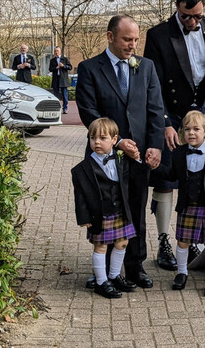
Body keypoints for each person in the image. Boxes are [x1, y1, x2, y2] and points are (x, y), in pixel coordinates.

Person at [144, 0, 205, 271]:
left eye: (198, 16)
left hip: (198, 117)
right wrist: (166, 124)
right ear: (177, 7)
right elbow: (153, 83)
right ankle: (164, 241)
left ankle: (192, 238)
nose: (194, 22)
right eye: (187, 17)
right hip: (169, 115)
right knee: (167, 181)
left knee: (196, 178)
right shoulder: (158, 35)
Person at [76, 14, 164, 288]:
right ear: (110, 36)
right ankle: (104, 272)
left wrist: (155, 146)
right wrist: (117, 142)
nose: (132, 45)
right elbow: (88, 112)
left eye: (136, 39)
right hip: (104, 156)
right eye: (127, 39)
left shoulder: (146, 67)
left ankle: (135, 267)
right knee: (106, 211)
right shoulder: (90, 68)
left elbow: (155, 110)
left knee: (135, 209)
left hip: (137, 155)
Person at [157, 111, 205, 296]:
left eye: (196, 129)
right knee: (182, 242)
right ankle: (182, 273)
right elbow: (172, 175)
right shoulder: (179, 153)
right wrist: (155, 166)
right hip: (187, 206)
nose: (191, 133)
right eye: (187, 129)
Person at [72, 118, 138, 299]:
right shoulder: (82, 169)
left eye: (102, 138)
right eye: (93, 138)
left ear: (114, 139)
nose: (97, 142)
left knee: (122, 243)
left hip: (120, 211)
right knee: (100, 246)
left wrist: (138, 157)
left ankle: (114, 275)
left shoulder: (121, 159)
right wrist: (84, 217)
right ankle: (101, 282)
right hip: (100, 214)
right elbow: (80, 196)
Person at [49, 47, 73, 114]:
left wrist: (63, 66)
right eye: (55, 51)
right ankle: (57, 108)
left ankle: (65, 108)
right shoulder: (52, 60)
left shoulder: (65, 59)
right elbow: (50, 69)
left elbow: (70, 67)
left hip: (63, 79)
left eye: (57, 51)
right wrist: (56, 68)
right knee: (56, 94)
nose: (56, 52)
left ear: (60, 52)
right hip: (56, 79)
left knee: (64, 94)